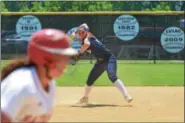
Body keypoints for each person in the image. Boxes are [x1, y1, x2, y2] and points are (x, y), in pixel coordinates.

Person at [1, 29, 78, 122]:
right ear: (45, 58)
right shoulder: (22, 85)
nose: (66, 62)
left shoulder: (50, 84)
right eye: (61, 57)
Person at [70, 23, 133, 104]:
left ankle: (126, 95)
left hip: (109, 59)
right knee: (90, 80)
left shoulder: (88, 38)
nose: (80, 34)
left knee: (112, 76)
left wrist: (78, 53)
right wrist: (76, 32)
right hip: (100, 62)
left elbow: (87, 44)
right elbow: (84, 26)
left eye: (82, 32)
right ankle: (85, 98)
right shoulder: (82, 38)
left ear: (86, 32)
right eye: (79, 32)